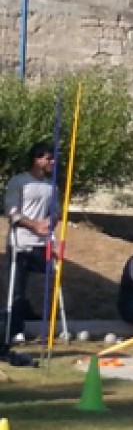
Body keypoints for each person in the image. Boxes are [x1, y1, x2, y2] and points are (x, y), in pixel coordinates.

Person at [4, 142, 58, 343]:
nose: (53, 162)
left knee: (52, 280)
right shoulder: (18, 182)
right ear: (37, 159)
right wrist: (34, 225)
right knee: (17, 288)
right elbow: (12, 212)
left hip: (43, 244)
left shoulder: (52, 186)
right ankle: (15, 330)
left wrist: (50, 222)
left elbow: (56, 212)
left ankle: (48, 325)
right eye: (49, 158)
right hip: (19, 243)